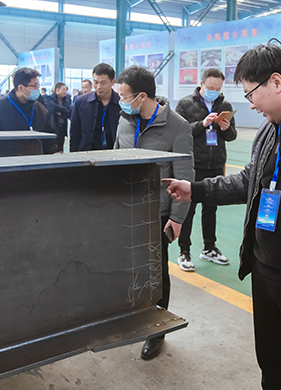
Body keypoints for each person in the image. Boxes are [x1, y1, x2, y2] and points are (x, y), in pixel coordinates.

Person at [164, 42, 281, 390]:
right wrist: (194, 189)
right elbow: (248, 181)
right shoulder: (269, 129)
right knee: (276, 372)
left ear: (276, 82)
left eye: (250, 94)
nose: (250, 104)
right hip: (265, 274)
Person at [114, 65, 194, 361]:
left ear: (142, 96)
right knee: (129, 269)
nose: (121, 101)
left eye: (124, 96)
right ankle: (134, 318)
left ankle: (157, 330)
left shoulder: (177, 126)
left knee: (156, 274)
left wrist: (177, 218)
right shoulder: (124, 120)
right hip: (127, 209)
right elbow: (114, 158)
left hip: (157, 213)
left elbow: (184, 176)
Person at [174, 68, 237, 271]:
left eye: (218, 89)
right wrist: (202, 124)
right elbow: (180, 133)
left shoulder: (225, 106)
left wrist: (226, 129)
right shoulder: (185, 104)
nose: (214, 92)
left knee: (211, 207)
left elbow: (232, 136)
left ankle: (209, 248)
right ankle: (184, 251)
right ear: (201, 84)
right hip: (195, 164)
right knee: (189, 208)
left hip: (216, 163)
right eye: (210, 88)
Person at [0, 68, 55, 152]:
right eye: (34, 86)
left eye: (38, 86)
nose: (37, 89)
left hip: (36, 157)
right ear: (21, 87)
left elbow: (49, 139)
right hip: (7, 158)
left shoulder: (39, 108)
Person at [70, 63, 121, 152]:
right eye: (95, 82)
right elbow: (74, 133)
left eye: (103, 83)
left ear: (113, 82)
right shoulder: (81, 102)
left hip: (114, 153)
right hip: (87, 152)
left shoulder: (121, 103)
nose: (98, 87)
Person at [44, 82, 72, 152]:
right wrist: (64, 110)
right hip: (53, 127)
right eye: (63, 89)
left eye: (66, 90)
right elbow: (52, 108)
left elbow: (69, 112)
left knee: (60, 148)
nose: (65, 92)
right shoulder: (49, 98)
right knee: (52, 148)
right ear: (57, 90)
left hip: (62, 128)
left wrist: (60, 112)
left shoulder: (66, 100)